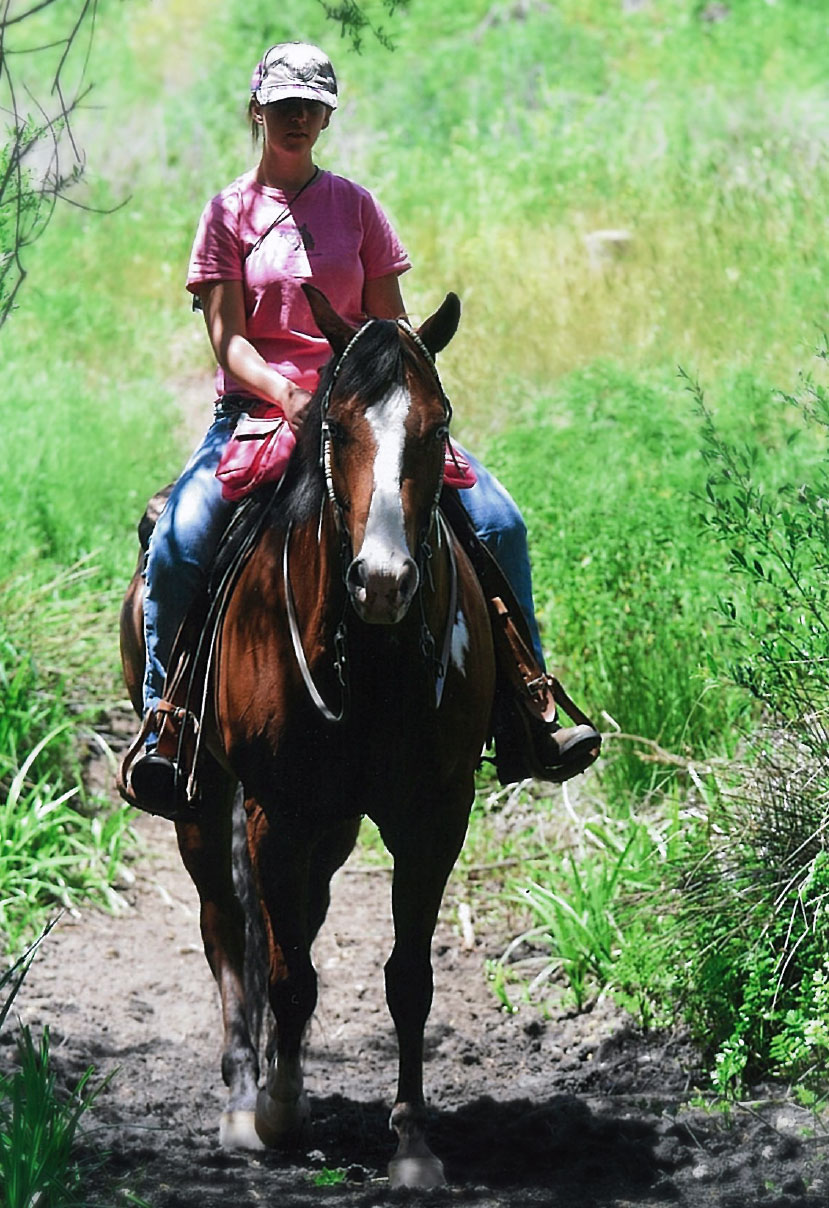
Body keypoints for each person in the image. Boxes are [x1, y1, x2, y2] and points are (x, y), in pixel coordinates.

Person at [124, 41, 599, 817]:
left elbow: (389, 322)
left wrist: (391, 390)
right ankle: (166, 724)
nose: (297, 119)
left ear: (327, 117)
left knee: (498, 522)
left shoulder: (357, 207)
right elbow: (228, 340)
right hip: (257, 412)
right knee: (179, 541)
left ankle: (529, 708)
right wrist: (285, 391)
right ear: (257, 111)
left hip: (367, 416)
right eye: (283, 106)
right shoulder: (226, 214)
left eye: (311, 107)